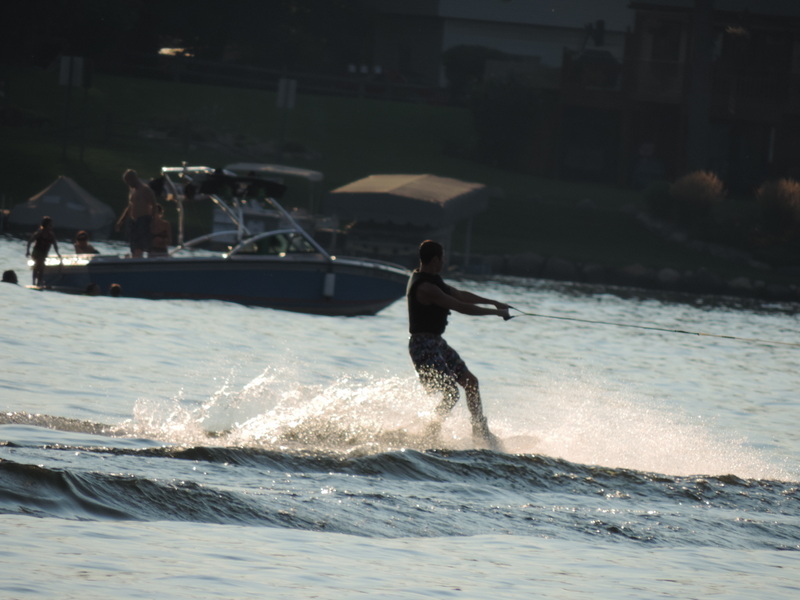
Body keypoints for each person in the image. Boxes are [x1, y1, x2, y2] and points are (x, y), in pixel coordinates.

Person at [407, 240, 510, 449]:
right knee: (451, 393)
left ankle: (480, 431)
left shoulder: (433, 280)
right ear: (436, 259)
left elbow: (460, 295)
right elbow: (460, 306)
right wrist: (496, 313)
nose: (444, 262)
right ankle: (430, 431)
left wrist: (493, 302)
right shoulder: (426, 287)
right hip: (422, 346)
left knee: (471, 383)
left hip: (436, 342)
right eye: (443, 258)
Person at [116, 169, 156, 258]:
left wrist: (154, 221)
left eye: (128, 181)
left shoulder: (145, 189)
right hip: (133, 221)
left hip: (144, 219)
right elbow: (129, 207)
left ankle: (146, 257)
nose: (128, 184)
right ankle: (135, 257)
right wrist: (121, 221)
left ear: (133, 179)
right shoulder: (132, 190)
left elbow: (153, 205)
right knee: (134, 244)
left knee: (143, 243)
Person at [26, 216, 61, 287]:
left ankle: (39, 282)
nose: (51, 226)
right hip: (37, 252)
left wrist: (58, 254)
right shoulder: (39, 233)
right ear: (45, 225)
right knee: (37, 267)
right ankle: (34, 282)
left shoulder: (51, 235)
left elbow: (55, 245)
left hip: (44, 253)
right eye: (50, 225)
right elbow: (30, 241)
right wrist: (27, 251)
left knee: (41, 268)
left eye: (51, 225)